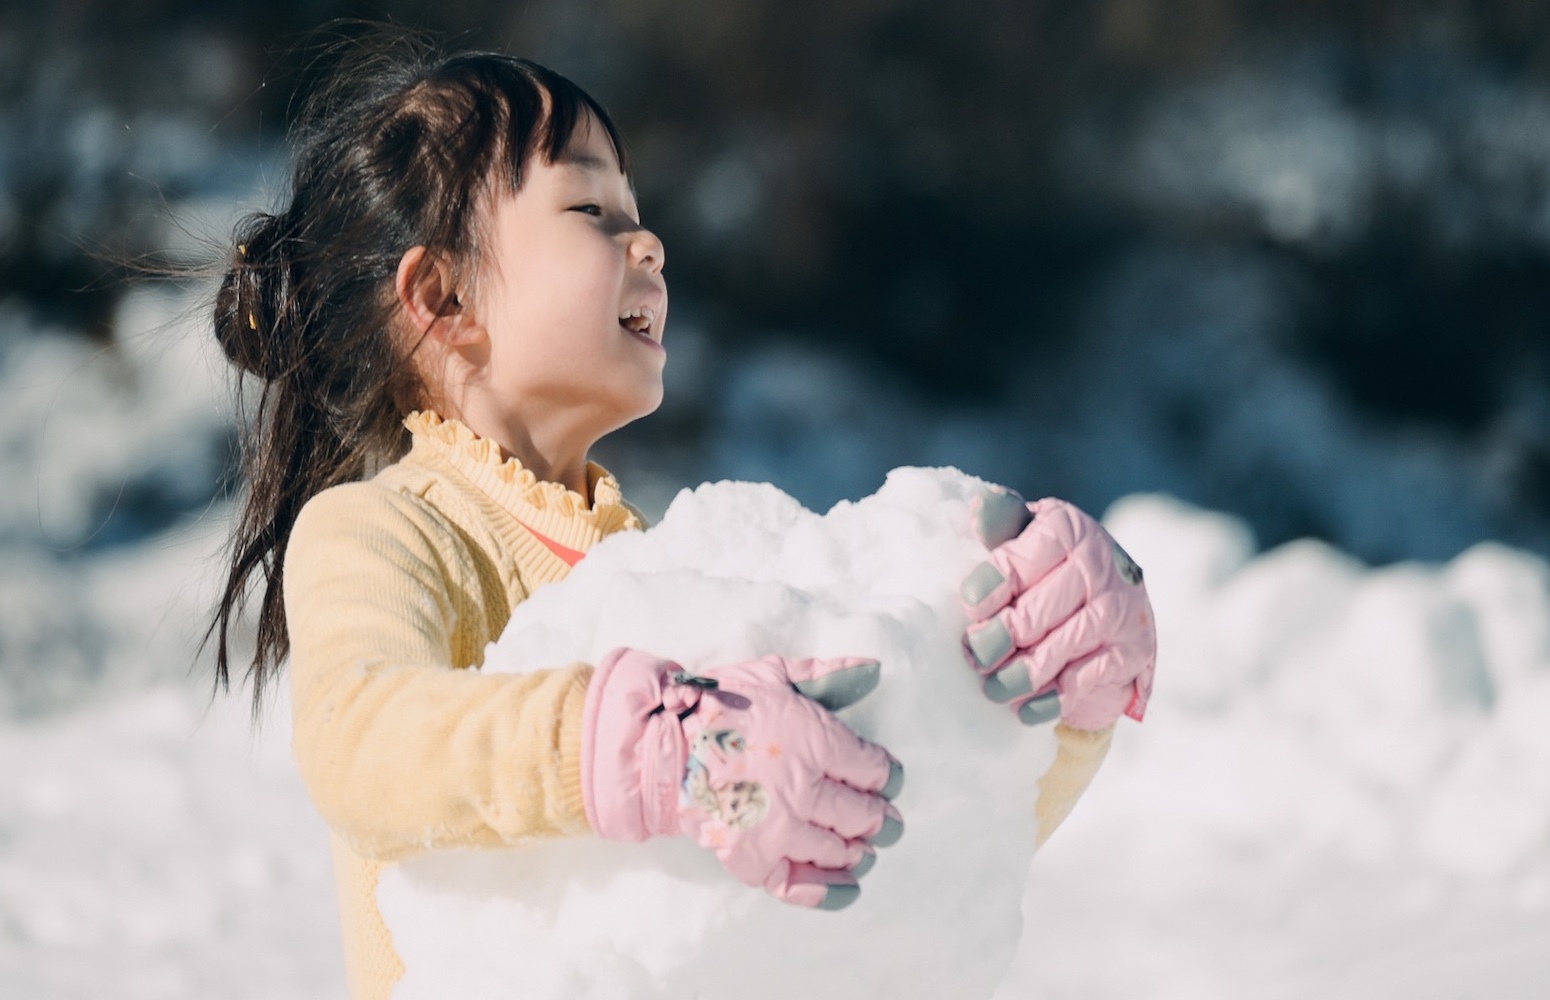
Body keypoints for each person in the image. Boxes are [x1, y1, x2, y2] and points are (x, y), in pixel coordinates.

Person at [206, 32, 1155, 1000]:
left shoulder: (662, 561)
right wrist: (641, 741)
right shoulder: (386, 526)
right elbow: (362, 745)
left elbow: (895, 834)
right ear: (443, 297)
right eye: (590, 208)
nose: (647, 240)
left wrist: (1054, 689)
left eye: (636, 211)